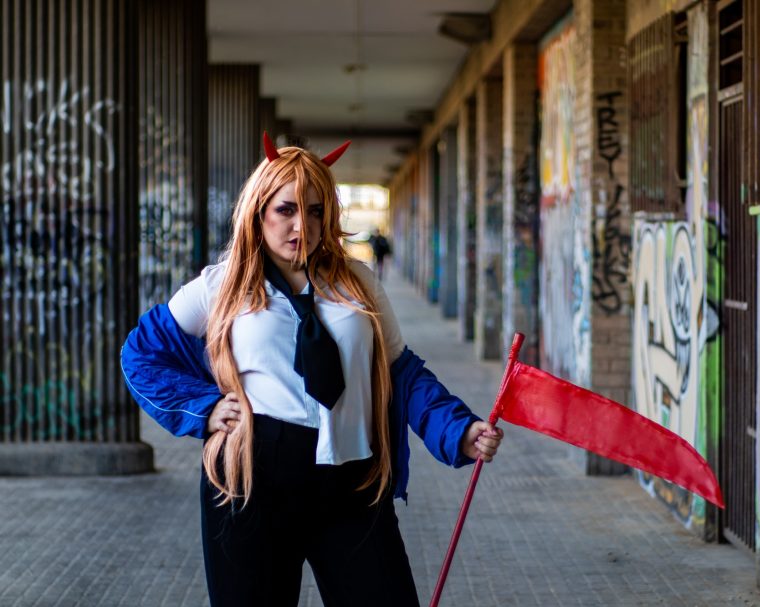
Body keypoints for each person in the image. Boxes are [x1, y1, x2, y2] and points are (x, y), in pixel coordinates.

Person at [120, 134, 503, 607]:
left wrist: (458, 429)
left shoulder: (359, 282)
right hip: (252, 478)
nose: (303, 225)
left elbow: (402, 372)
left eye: (317, 210)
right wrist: (205, 407)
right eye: (287, 210)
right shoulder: (220, 286)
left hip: (351, 480)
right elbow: (141, 354)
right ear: (259, 210)